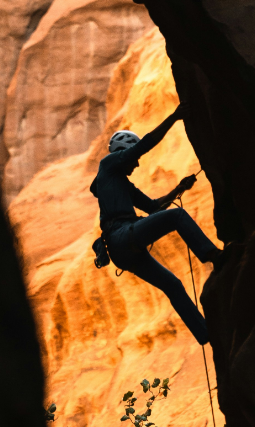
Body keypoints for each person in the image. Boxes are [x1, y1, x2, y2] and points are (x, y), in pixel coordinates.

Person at [89, 104, 226, 345]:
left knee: (172, 285)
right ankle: (214, 256)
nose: (138, 164)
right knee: (177, 216)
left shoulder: (119, 182)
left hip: (122, 247)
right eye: (134, 157)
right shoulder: (108, 165)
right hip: (121, 236)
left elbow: (152, 207)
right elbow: (145, 145)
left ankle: (206, 335)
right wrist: (174, 117)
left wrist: (180, 188)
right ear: (123, 151)